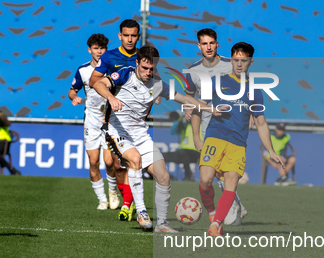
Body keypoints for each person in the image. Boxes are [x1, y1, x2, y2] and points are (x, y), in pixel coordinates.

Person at [92, 45, 219, 233]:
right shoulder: (125, 74)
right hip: (117, 131)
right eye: (144, 68)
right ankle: (142, 212)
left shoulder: (158, 84)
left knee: (164, 176)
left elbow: (184, 99)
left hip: (141, 135)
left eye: (152, 69)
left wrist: (211, 109)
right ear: (137, 63)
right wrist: (111, 98)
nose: (148, 72)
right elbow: (98, 83)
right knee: (135, 159)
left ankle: (161, 224)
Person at [198, 42, 283, 237]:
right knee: (205, 181)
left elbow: (261, 123)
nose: (238, 64)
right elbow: (198, 105)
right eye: (235, 60)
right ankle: (212, 214)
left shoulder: (255, 91)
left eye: (243, 61)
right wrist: (196, 135)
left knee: (232, 183)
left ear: (251, 62)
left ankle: (216, 225)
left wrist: (271, 150)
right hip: (215, 137)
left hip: (237, 142)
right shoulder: (217, 81)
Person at [186, 28, 246, 224]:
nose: (208, 47)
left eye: (212, 43)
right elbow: (190, 99)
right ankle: (228, 208)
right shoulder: (193, 71)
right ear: (199, 46)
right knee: (207, 178)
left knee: (225, 175)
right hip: (207, 127)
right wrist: (195, 134)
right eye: (204, 43)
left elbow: (247, 88)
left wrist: (251, 113)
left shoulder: (231, 65)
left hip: (231, 126)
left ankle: (230, 208)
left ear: (217, 44)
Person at [89, 19, 141, 221]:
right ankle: (127, 197)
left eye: (133, 35)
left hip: (136, 119)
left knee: (133, 163)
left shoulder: (143, 56)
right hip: (114, 117)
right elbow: (94, 81)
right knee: (115, 164)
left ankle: (129, 203)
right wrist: (110, 92)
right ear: (120, 36)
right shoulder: (110, 56)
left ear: (138, 36)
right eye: (126, 35)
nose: (130, 39)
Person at [69, 33, 119, 210]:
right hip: (91, 120)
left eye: (102, 48)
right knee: (93, 162)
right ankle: (102, 199)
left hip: (110, 120)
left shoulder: (113, 68)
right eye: (96, 48)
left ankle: (113, 191)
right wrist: (74, 97)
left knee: (110, 162)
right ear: (89, 49)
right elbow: (72, 90)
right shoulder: (83, 70)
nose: (99, 52)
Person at [162, 111, 201, 181]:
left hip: (196, 153)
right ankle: (165, 175)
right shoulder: (183, 125)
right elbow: (172, 131)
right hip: (182, 152)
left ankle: (187, 176)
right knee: (161, 156)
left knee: (184, 154)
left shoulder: (199, 125)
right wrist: (179, 120)